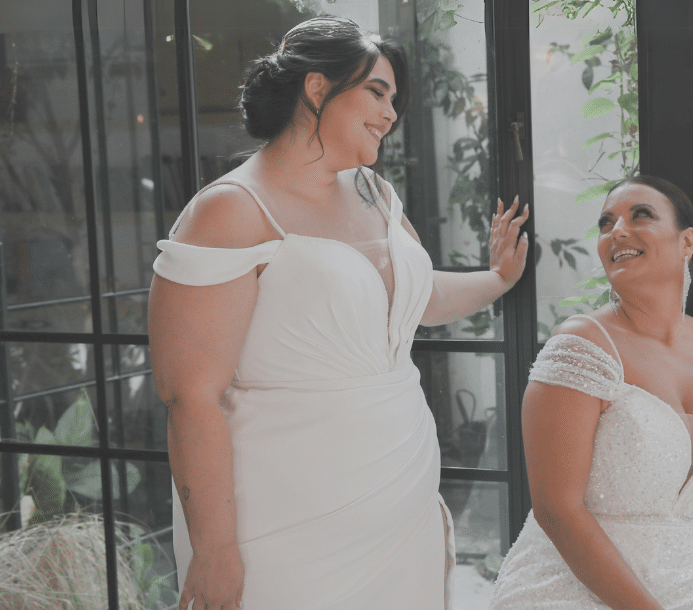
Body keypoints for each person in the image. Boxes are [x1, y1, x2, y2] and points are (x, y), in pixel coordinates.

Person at [148, 17, 529, 610]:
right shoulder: (230, 210)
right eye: (377, 92)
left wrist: (498, 278)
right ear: (317, 89)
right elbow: (189, 395)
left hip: (400, 498)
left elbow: (417, 299)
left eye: (395, 100)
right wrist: (215, 549)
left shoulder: (375, 193)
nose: (391, 113)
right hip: (284, 516)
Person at [489, 175, 693, 610]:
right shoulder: (582, 345)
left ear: (687, 242)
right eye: (606, 223)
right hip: (569, 595)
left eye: (641, 215)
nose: (616, 231)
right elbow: (556, 510)